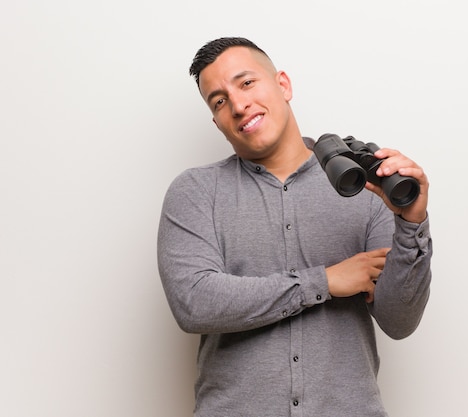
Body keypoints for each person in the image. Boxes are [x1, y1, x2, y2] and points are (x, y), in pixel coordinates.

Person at [157, 36, 432, 417]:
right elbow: (195, 302)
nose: (238, 105)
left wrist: (410, 223)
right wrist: (323, 281)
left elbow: (399, 320)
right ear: (216, 119)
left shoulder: (364, 184)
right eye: (219, 101)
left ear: (282, 84)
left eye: (246, 82)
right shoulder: (196, 192)